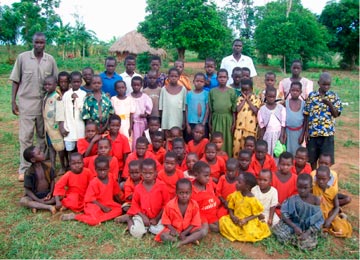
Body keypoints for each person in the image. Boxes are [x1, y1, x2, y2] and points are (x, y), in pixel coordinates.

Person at [10, 32, 58, 181]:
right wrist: (13, 101)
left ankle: (41, 166)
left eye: (41, 42)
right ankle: (24, 169)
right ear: (32, 42)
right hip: (27, 104)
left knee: (42, 136)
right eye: (36, 42)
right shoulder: (23, 58)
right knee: (26, 137)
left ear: (45, 43)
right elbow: (15, 80)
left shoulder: (50, 60)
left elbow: (55, 80)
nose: (39, 45)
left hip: (45, 105)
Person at [61, 156, 123, 225]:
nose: (102, 172)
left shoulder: (111, 177)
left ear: (108, 169)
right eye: (100, 170)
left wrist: (121, 203)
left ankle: (101, 218)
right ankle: (75, 216)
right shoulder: (94, 182)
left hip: (108, 203)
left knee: (119, 209)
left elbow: (116, 192)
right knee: (94, 220)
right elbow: (90, 199)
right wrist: (103, 207)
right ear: (96, 170)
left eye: (105, 170)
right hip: (94, 204)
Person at [272, 174, 324, 250]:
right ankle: (294, 239)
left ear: (311, 187)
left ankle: (296, 240)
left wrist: (307, 233)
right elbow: (284, 213)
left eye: (305, 188)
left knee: (309, 244)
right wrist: (294, 226)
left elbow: (319, 219)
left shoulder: (315, 201)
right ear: (296, 186)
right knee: (278, 232)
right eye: (300, 187)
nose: (302, 190)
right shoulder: (293, 199)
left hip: (308, 228)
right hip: (293, 225)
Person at [304, 72, 342, 170]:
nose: (326, 86)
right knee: (312, 159)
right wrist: (306, 131)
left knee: (325, 159)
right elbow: (307, 114)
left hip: (327, 134)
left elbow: (336, 114)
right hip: (313, 134)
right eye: (324, 84)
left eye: (328, 84)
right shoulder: (312, 96)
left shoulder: (333, 96)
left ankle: (323, 175)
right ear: (318, 83)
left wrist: (329, 104)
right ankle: (313, 175)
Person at [219, 172, 271, 242]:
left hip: (248, 221)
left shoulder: (253, 200)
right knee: (223, 220)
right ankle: (238, 232)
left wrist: (246, 220)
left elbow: (256, 213)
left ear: (247, 186)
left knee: (250, 233)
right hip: (236, 219)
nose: (236, 183)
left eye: (239, 182)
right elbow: (230, 206)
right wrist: (232, 216)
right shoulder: (236, 194)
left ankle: (239, 234)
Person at [126, 158, 170, 238]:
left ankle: (148, 228)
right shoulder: (138, 188)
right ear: (141, 173)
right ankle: (129, 220)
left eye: (150, 173)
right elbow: (135, 204)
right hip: (142, 216)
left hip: (158, 216)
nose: (148, 175)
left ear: (156, 173)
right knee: (137, 233)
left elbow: (166, 204)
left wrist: (156, 219)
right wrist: (143, 217)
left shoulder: (162, 186)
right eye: (145, 173)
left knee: (161, 231)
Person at [155, 178, 206, 246]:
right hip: (175, 230)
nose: (184, 196)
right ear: (176, 192)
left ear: (191, 192)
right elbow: (166, 220)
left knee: (202, 231)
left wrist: (184, 233)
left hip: (189, 230)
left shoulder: (194, 204)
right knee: (163, 236)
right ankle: (187, 239)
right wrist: (172, 230)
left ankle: (182, 242)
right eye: (181, 193)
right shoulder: (170, 205)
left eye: (187, 193)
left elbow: (194, 222)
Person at [312, 166, 352, 238]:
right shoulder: (313, 188)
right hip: (317, 213)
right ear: (316, 177)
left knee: (341, 230)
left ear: (329, 179)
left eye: (323, 179)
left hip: (329, 213)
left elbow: (336, 207)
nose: (321, 181)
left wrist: (329, 220)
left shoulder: (333, 190)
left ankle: (342, 218)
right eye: (318, 178)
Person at [19, 146, 56, 214]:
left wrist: (50, 192)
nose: (42, 153)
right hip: (35, 195)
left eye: (41, 151)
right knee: (23, 201)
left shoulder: (48, 167)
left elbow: (52, 181)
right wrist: (38, 199)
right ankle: (48, 207)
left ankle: (36, 205)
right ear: (33, 160)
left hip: (48, 194)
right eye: (39, 153)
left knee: (61, 195)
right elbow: (27, 190)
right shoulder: (29, 172)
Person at [209, 69, 237, 157]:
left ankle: (226, 160)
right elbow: (210, 109)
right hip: (216, 119)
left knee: (227, 139)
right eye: (220, 77)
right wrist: (210, 122)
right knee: (216, 140)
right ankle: (215, 159)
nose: (222, 79)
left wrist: (234, 122)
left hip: (228, 119)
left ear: (228, 78)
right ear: (217, 78)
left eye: (224, 77)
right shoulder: (212, 91)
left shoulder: (231, 91)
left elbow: (234, 109)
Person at [42, 76, 66, 172]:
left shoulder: (57, 97)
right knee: (51, 146)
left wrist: (60, 126)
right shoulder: (46, 96)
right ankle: (52, 166)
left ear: (55, 85)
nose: (47, 86)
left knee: (59, 147)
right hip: (48, 127)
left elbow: (60, 113)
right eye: (45, 84)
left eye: (49, 84)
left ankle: (62, 166)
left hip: (55, 127)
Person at [233, 78, 261, 158]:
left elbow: (256, 111)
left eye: (247, 90)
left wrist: (248, 100)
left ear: (251, 89)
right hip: (239, 129)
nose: (245, 92)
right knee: (237, 150)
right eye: (243, 90)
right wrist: (244, 99)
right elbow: (237, 109)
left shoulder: (256, 99)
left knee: (250, 151)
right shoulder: (239, 99)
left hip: (251, 130)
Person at [62, 71, 87, 158]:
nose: (76, 84)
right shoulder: (66, 95)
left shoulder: (83, 94)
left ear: (81, 82)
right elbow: (63, 110)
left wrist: (77, 100)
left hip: (80, 126)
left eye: (78, 82)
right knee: (70, 148)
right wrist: (63, 126)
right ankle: (70, 164)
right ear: (70, 82)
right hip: (69, 125)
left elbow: (84, 110)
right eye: (74, 82)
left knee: (80, 148)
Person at [191, 161, 220, 233]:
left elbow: (217, 192)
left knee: (219, 227)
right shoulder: (190, 189)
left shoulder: (209, 183)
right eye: (205, 176)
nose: (208, 178)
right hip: (200, 215)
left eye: (209, 175)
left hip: (211, 212)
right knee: (214, 228)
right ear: (196, 175)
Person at [258, 86, 286, 157]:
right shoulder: (262, 109)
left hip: (278, 135)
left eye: (273, 97)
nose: (271, 99)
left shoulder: (281, 108)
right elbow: (262, 127)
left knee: (278, 153)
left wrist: (282, 136)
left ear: (275, 96)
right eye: (269, 96)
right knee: (268, 154)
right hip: (267, 136)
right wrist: (261, 139)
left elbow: (283, 124)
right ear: (266, 96)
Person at [159, 68, 187, 133]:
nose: (173, 78)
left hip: (179, 121)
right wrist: (162, 121)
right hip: (166, 121)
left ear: (179, 77)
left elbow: (184, 108)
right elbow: (161, 108)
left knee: (178, 140)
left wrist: (184, 121)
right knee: (167, 139)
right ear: (168, 77)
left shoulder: (183, 90)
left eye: (175, 76)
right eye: (171, 76)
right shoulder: (164, 89)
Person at [129, 76, 153, 150]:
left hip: (142, 123)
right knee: (134, 140)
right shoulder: (128, 97)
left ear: (141, 85)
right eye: (134, 85)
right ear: (131, 85)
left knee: (142, 139)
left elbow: (149, 110)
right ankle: (134, 154)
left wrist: (145, 114)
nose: (136, 87)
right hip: (132, 123)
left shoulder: (145, 97)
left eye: (138, 85)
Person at [272, 152, 298, 216]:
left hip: (289, 210)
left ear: (292, 165)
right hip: (273, 209)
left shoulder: (295, 178)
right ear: (278, 164)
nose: (285, 167)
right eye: (283, 164)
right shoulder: (272, 176)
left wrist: (285, 205)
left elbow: (295, 197)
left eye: (288, 165)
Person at [185, 73, 209, 141]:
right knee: (190, 142)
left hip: (202, 123)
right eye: (197, 81)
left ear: (204, 83)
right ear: (193, 82)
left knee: (203, 143)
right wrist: (187, 124)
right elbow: (186, 109)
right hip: (191, 123)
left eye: (201, 81)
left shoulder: (206, 94)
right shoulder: (189, 94)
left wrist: (203, 124)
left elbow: (207, 109)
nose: (199, 83)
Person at [285, 82, 306, 155]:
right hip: (287, 133)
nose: (295, 92)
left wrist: (302, 135)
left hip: (299, 133)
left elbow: (305, 122)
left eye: (297, 91)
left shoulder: (304, 104)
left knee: (297, 153)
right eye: (293, 90)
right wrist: (283, 133)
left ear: (300, 92)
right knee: (287, 153)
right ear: (290, 91)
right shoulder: (285, 103)